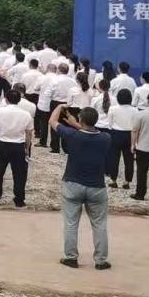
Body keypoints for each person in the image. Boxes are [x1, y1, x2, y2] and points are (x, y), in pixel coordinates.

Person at [49, 102, 111, 269]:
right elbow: (89, 132)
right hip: (97, 186)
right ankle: (101, 260)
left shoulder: (73, 136)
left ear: (80, 120)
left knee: (71, 223)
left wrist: (59, 107)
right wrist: (77, 124)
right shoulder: (105, 138)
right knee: (99, 224)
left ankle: (71, 257)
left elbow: (52, 121)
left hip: (73, 183)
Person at [0, 89, 35, 207]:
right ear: (19, 100)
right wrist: (27, 148)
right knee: (20, 175)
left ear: (6, 99)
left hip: (1, 144)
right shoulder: (26, 114)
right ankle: (19, 200)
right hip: (18, 146)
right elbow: (29, 133)